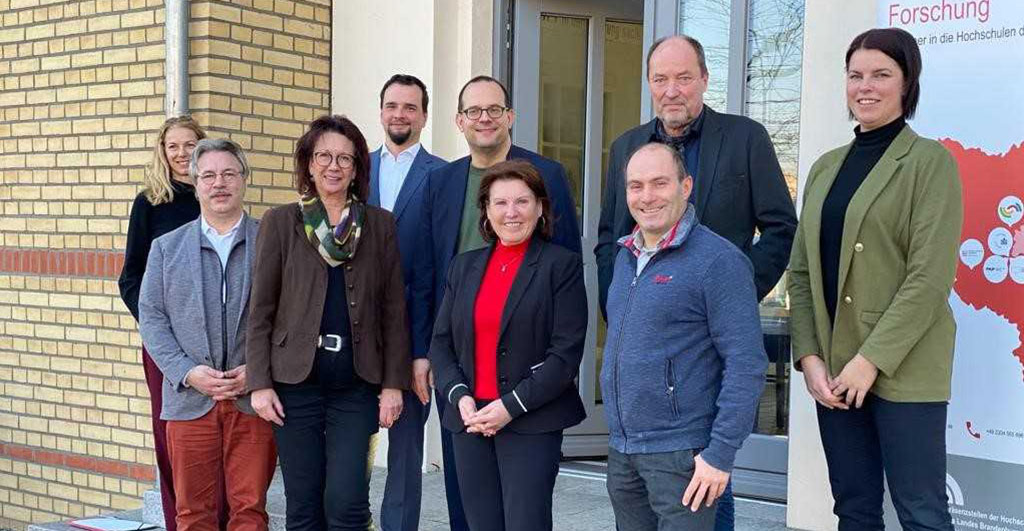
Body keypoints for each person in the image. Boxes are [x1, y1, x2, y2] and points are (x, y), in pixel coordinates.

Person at [595, 35, 796, 528]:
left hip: (715, 326)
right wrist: (623, 304)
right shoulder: (627, 147)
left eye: (683, 77)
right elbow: (609, 237)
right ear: (649, 84)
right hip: (653, 335)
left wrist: (734, 292)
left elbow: (780, 228)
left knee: (707, 470)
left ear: (704, 79)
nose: (672, 90)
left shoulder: (745, 138)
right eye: (660, 79)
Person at [787, 28, 961, 531]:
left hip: (904, 368)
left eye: (881, 74)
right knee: (855, 510)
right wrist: (810, 357)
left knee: (922, 513)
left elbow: (929, 279)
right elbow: (801, 272)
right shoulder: (825, 169)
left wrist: (870, 362)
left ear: (907, 83)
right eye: (855, 75)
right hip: (834, 371)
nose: (865, 86)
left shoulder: (930, 162)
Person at [411, 75, 582, 530]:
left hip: (527, 386)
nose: (511, 211)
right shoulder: (441, 184)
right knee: (469, 513)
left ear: (509, 116)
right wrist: (437, 369)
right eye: (473, 111)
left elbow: (564, 294)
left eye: (493, 109)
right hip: (465, 380)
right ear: (459, 120)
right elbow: (427, 275)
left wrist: (520, 397)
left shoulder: (548, 180)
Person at [246, 115, 412, 530]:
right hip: (294, 384)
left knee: (346, 502)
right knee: (303, 505)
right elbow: (261, 309)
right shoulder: (280, 222)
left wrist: (393, 384)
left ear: (357, 169)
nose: (333, 166)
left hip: (355, 385)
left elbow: (393, 310)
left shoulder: (379, 225)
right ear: (309, 163)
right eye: (323, 156)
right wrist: (259, 383)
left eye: (344, 158)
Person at [602, 143, 767, 531]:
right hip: (623, 450)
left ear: (686, 186)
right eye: (636, 186)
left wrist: (720, 455)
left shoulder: (718, 261)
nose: (646, 196)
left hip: (682, 454)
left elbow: (746, 364)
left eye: (659, 183)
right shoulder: (625, 257)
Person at [138, 138, 277, 531]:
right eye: (209, 175)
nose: (219, 183)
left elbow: (292, 318)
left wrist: (260, 370)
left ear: (244, 179)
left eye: (229, 174)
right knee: (192, 514)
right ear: (195, 184)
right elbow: (152, 318)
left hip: (252, 400)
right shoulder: (166, 248)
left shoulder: (272, 241)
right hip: (189, 401)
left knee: (249, 512)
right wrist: (186, 371)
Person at [118, 116, 227, 531]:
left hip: (218, 342)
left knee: (220, 433)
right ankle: (177, 519)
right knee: (172, 436)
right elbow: (131, 278)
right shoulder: (150, 203)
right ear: (162, 153)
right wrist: (157, 328)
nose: (182, 154)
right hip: (165, 347)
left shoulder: (216, 196)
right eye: (173, 146)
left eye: (189, 145)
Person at [368, 74, 446, 531]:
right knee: (347, 449)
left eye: (410, 107)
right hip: (357, 336)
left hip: (415, 336)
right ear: (381, 111)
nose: (400, 114)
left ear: (424, 116)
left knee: (405, 453)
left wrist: (425, 350)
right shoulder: (355, 169)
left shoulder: (443, 175)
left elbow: (440, 269)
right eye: (392, 105)